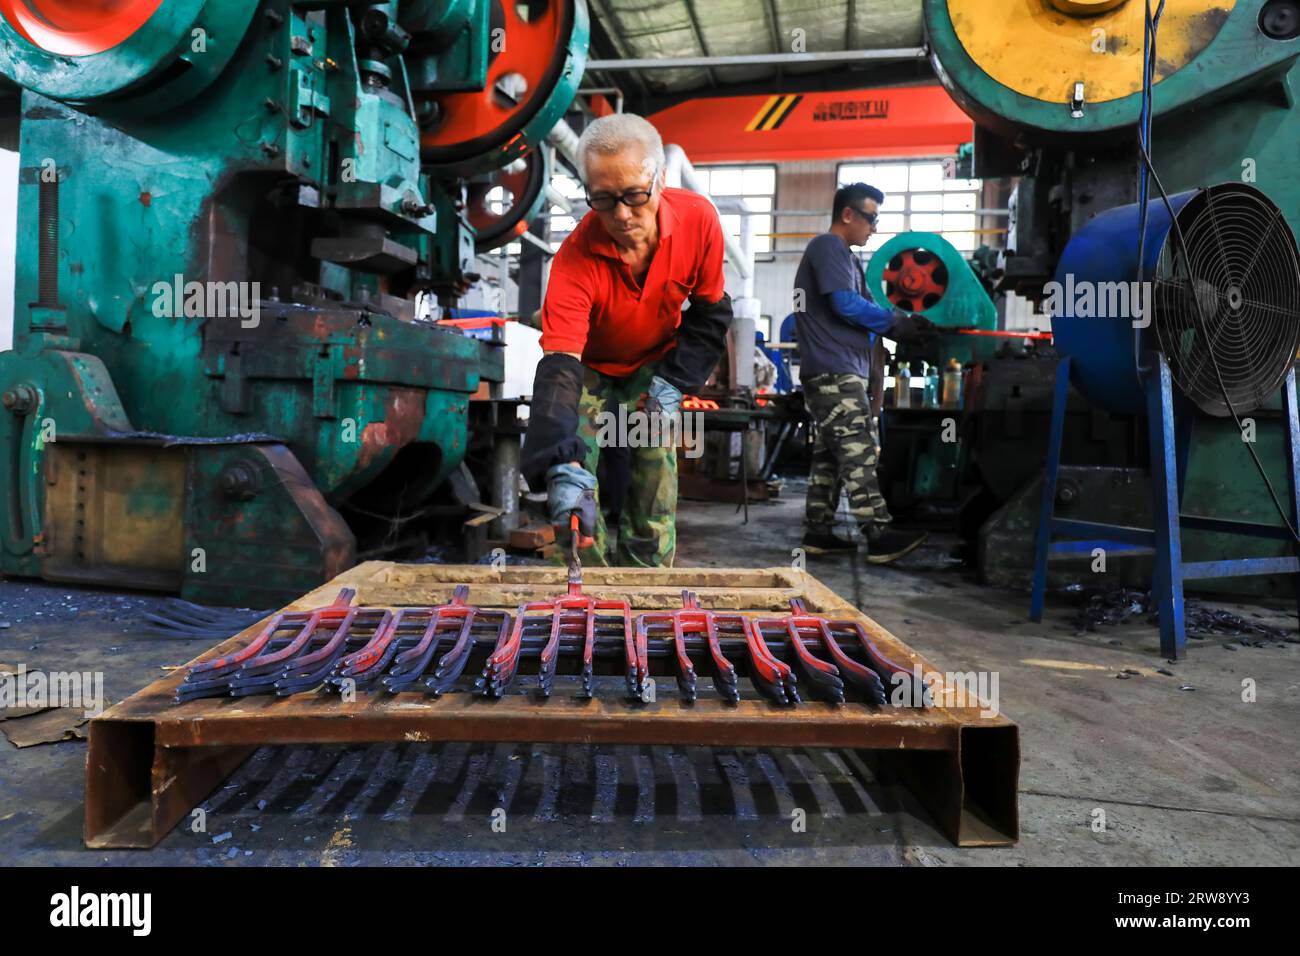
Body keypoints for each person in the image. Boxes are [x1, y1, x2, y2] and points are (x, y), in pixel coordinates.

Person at [520, 113, 733, 567]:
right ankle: (580, 592)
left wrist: (673, 385)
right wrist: (560, 461)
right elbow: (560, 367)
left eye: (635, 196)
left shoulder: (699, 221)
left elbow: (710, 315)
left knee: (654, 469)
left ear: (658, 179)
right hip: (590, 369)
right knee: (576, 480)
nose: (620, 214)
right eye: (603, 198)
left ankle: (648, 583)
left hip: (657, 363)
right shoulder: (575, 260)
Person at [793, 182, 938, 562]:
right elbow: (845, 304)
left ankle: (818, 532)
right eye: (871, 219)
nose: (874, 228)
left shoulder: (848, 260)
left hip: (837, 370)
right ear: (847, 215)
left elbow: (867, 309)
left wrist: (903, 325)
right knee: (858, 450)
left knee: (832, 453)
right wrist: (895, 323)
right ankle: (877, 532)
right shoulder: (828, 247)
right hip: (834, 372)